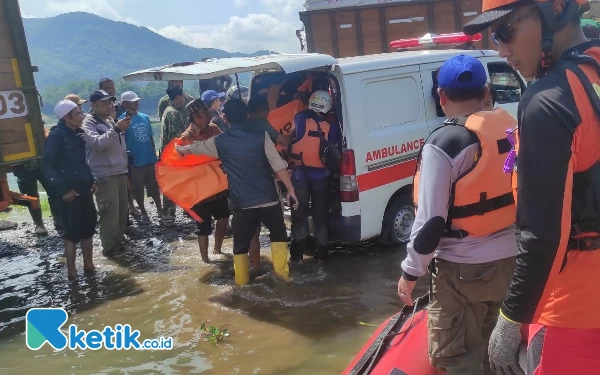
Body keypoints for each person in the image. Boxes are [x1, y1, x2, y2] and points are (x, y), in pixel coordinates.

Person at [463, 0, 600, 374]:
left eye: (505, 31)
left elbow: (543, 235)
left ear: (554, 10)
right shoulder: (593, 71)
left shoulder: (547, 101)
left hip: (578, 314)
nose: (500, 49)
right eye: (494, 35)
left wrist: (511, 319)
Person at [396, 55, 518, 375]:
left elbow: (431, 222)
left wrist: (410, 273)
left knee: (455, 359)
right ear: (486, 91)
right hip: (510, 262)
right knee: (497, 353)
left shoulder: (445, 142)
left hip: (463, 270)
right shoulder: (510, 130)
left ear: (441, 96)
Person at [175, 99, 299, 286]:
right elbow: (278, 165)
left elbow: (191, 149)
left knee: (240, 246)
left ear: (225, 117)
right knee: (278, 236)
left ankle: (241, 285)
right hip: (269, 199)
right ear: (247, 115)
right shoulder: (261, 135)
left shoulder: (219, 141)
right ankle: (283, 278)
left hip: (242, 204)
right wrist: (291, 190)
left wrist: (179, 149)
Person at [42, 100, 97, 280]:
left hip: (85, 188)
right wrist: (63, 189)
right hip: (68, 192)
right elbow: (47, 166)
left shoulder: (78, 134)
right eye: (79, 113)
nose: (82, 116)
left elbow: (86, 161)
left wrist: (93, 179)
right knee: (72, 233)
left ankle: (89, 265)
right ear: (67, 117)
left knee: (88, 228)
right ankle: (71, 271)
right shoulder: (56, 136)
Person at [288, 90, 341, 263]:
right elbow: (335, 148)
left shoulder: (300, 118)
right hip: (321, 176)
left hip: (300, 175)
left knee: (299, 216)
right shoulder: (331, 126)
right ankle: (321, 258)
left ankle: (296, 256)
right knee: (320, 217)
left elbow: (293, 138)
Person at [179, 98, 229, 263]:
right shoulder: (186, 138)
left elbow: (225, 149)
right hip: (199, 190)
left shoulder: (214, 129)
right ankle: (205, 261)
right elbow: (182, 166)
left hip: (217, 186)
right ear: (195, 117)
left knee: (222, 219)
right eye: (204, 114)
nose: (208, 116)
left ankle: (218, 251)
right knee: (202, 227)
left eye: (207, 113)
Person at [82, 90, 131, 257]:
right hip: (104, 175)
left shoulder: (109, 120)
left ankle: (118, 244)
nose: (109, 105)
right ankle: (110, 250)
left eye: (110, 102)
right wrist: (116, 129)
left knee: (121, 212)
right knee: (109, 214)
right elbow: (97, 143)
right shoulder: (88, 123)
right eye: (104, 103)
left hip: (120, 171)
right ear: (93, 105)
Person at [119, 91, 162, 225]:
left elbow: (150, 137)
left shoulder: (144, 117)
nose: (137, 103)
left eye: (137, 100)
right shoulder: (121, 121)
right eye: (133, 101)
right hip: (135, 161)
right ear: (125, 104)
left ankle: (160, 209)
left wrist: (155, 156)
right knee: (137, 188)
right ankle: (143, 212)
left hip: (149, 158)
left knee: (154, 186)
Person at [160, 86, 189, 224]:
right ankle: (168, 216)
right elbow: (179, 137)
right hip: (174, 156)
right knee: (173, 185)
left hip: (168, 155)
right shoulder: (174, 114)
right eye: (183, 96)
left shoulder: (167, 111)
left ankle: (170, 214)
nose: (184, 99)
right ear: (178, 97)